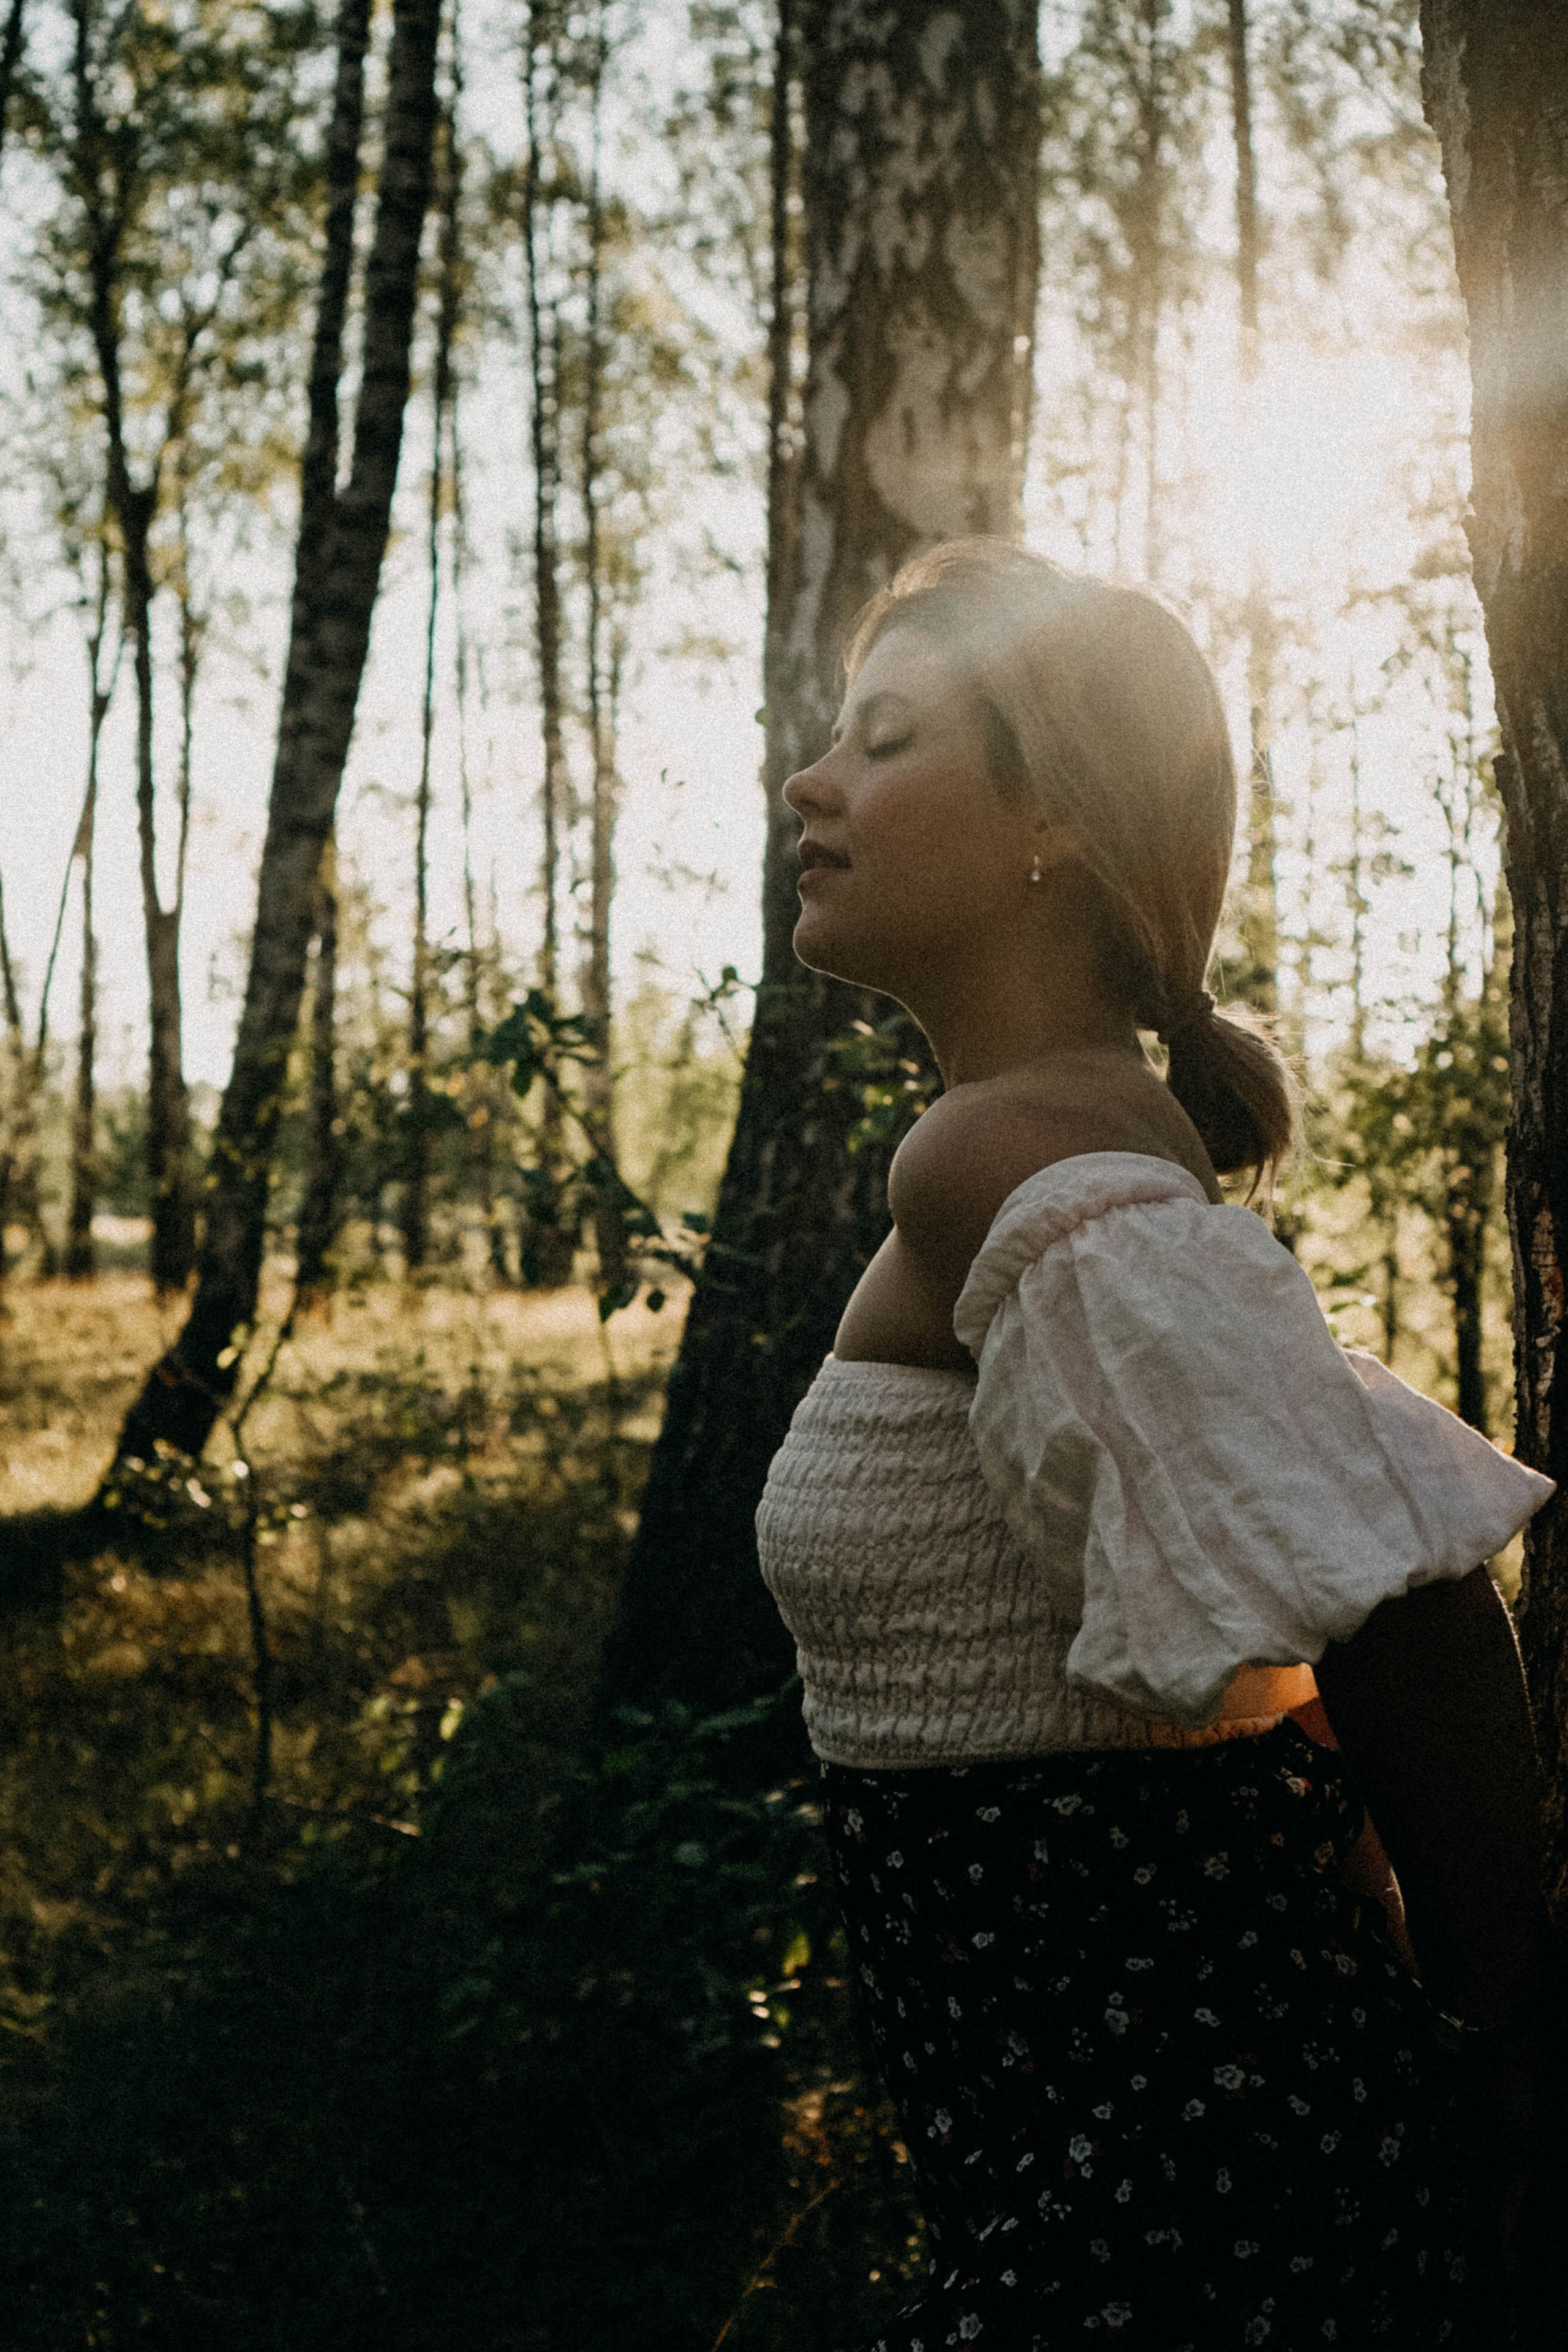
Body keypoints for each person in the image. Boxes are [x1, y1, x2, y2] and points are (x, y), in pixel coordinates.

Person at [755, 538, 1555, 2350]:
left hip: (1181, 2181)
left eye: (885, 738)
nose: (811, 780)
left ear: (1058, 819)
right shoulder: (1046, 1147)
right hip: (1134, 2146)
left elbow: (1397, 1599)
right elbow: (1285, 1625)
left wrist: (1505, 2034)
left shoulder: (1010, 1158)